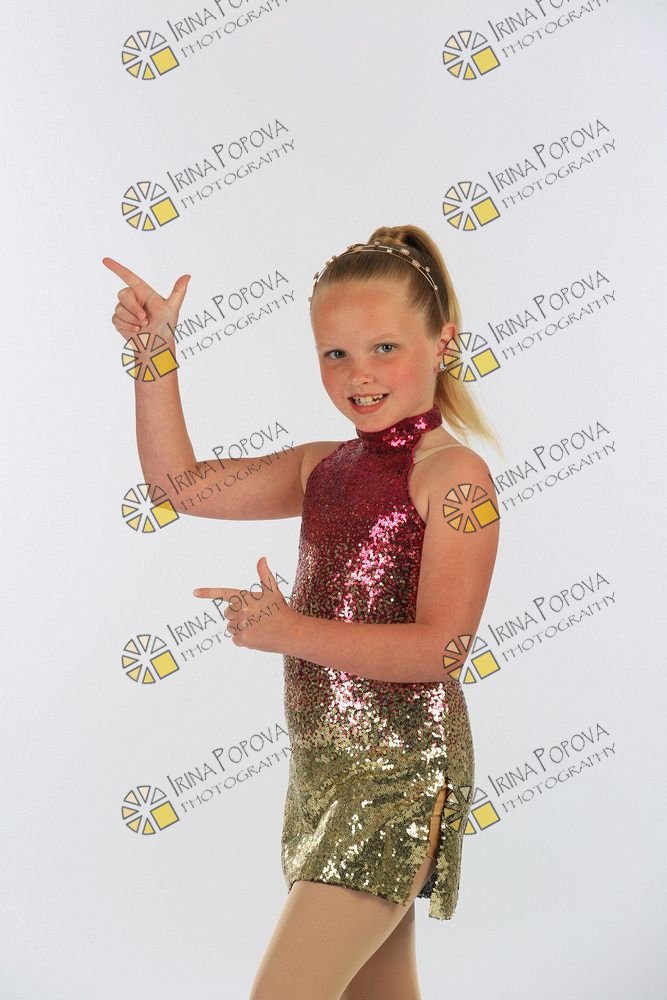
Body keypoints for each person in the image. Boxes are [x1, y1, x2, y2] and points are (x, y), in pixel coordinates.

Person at [103, 223, 501, 1000]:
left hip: (397, 775)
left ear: (443, 343)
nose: (359, 373)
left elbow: (442, 650)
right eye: (335, 353)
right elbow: (179, 489)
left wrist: (289, 631)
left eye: (384, 347)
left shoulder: (453, 475)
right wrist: (154, 355)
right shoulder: (324, 467)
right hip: (322, 772)